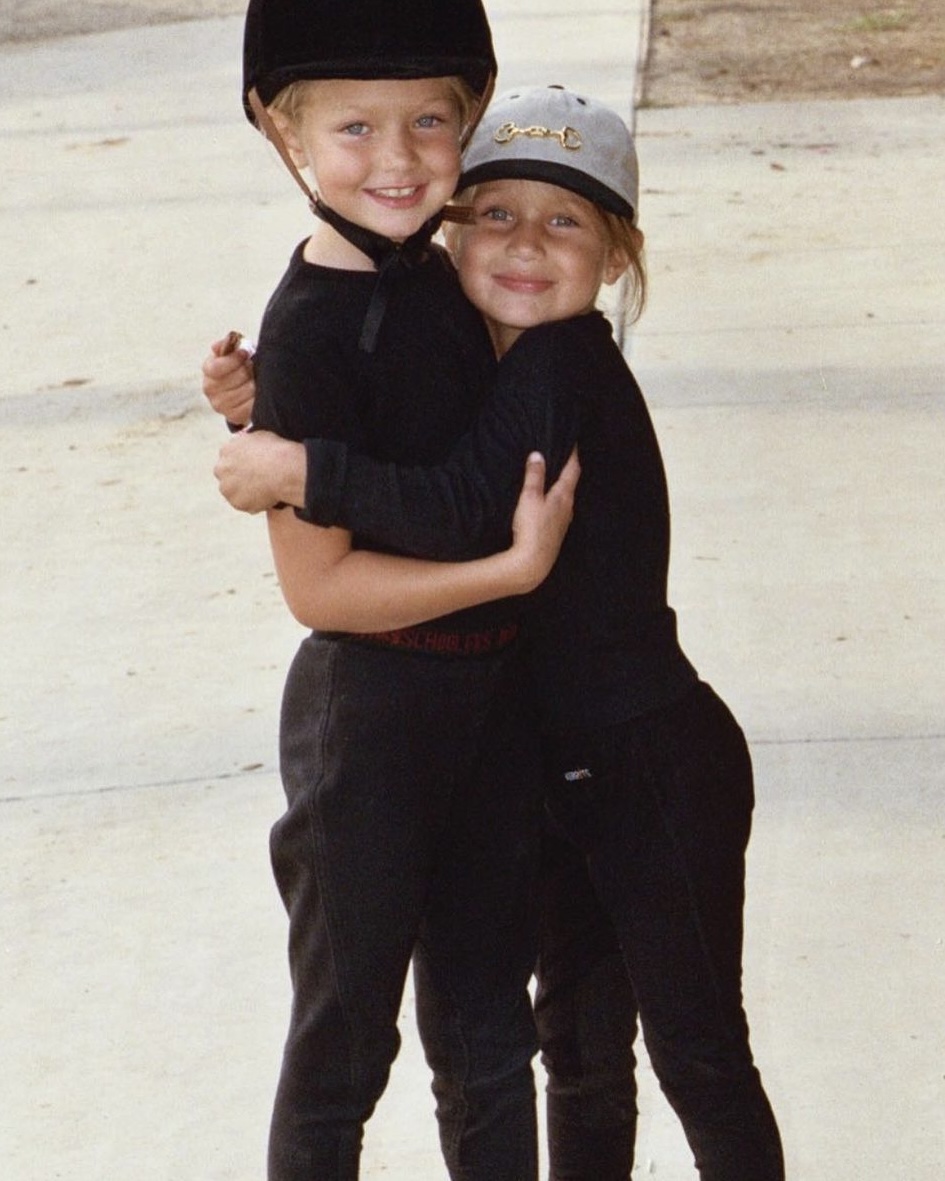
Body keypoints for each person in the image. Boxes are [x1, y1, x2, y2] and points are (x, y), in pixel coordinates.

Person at [206, 84, 787, 1181]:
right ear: (449, 232)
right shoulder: (478, 353)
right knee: (579, 1050)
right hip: (544, 761)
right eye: (497, 214)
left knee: (699, 1052)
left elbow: (462, 505)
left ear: (615, 257)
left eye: (566, 221)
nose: (525, 244)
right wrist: (258, 404)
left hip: (651, 760)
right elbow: (399, 424)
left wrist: (300, 466)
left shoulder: (563, 361)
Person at [224, 7, 583, 1180]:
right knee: (345, 1046)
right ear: (284, 134)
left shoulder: (444, 276)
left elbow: (444, 447)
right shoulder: (307, 329)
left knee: (489, 1035)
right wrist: (508, 572)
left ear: (468, 117)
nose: (399, 157)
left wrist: (262, 421)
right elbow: (320, 590)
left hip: (490, 710)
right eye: (354, 128)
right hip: (370, 726)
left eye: (430, 120)